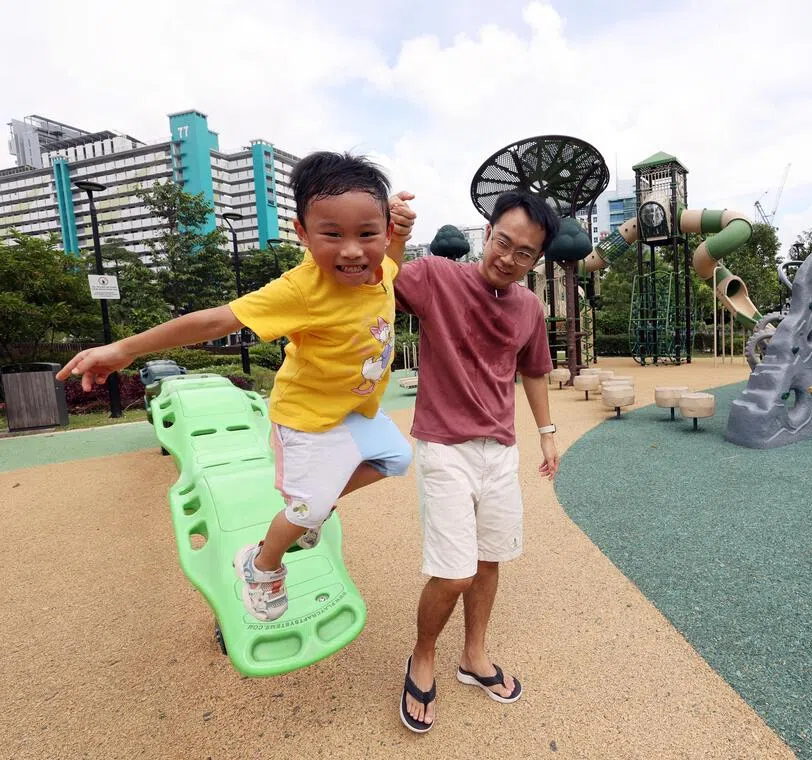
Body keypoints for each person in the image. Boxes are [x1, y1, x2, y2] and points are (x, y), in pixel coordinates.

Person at [56, 152, 417, 622]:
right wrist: (126, 348)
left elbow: (391, 264)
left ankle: (314, 509)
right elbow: (215, 320)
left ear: (383, 230)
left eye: (366, 234)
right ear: (302, 233)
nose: (351, 251)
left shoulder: (379, 267)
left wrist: (401, 238)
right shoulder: (302, 289)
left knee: (397, 459)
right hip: (306, 420)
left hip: (353, 410)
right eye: (332, 235)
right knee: (306, 511)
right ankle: (260, 564)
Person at [389, 190, 560, 733]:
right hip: (444, 444)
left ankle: (474, 655)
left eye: (524, 253)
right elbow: (379, 280)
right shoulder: (438, 276)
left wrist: (547, 434)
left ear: (536, 261)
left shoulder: (529, 307)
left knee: (490, 561)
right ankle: (422, 653)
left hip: (500, 450)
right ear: (487, 234)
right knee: (453, 571)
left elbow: (533, 371)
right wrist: (393, 232)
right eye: (503, 242)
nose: (508, 257)